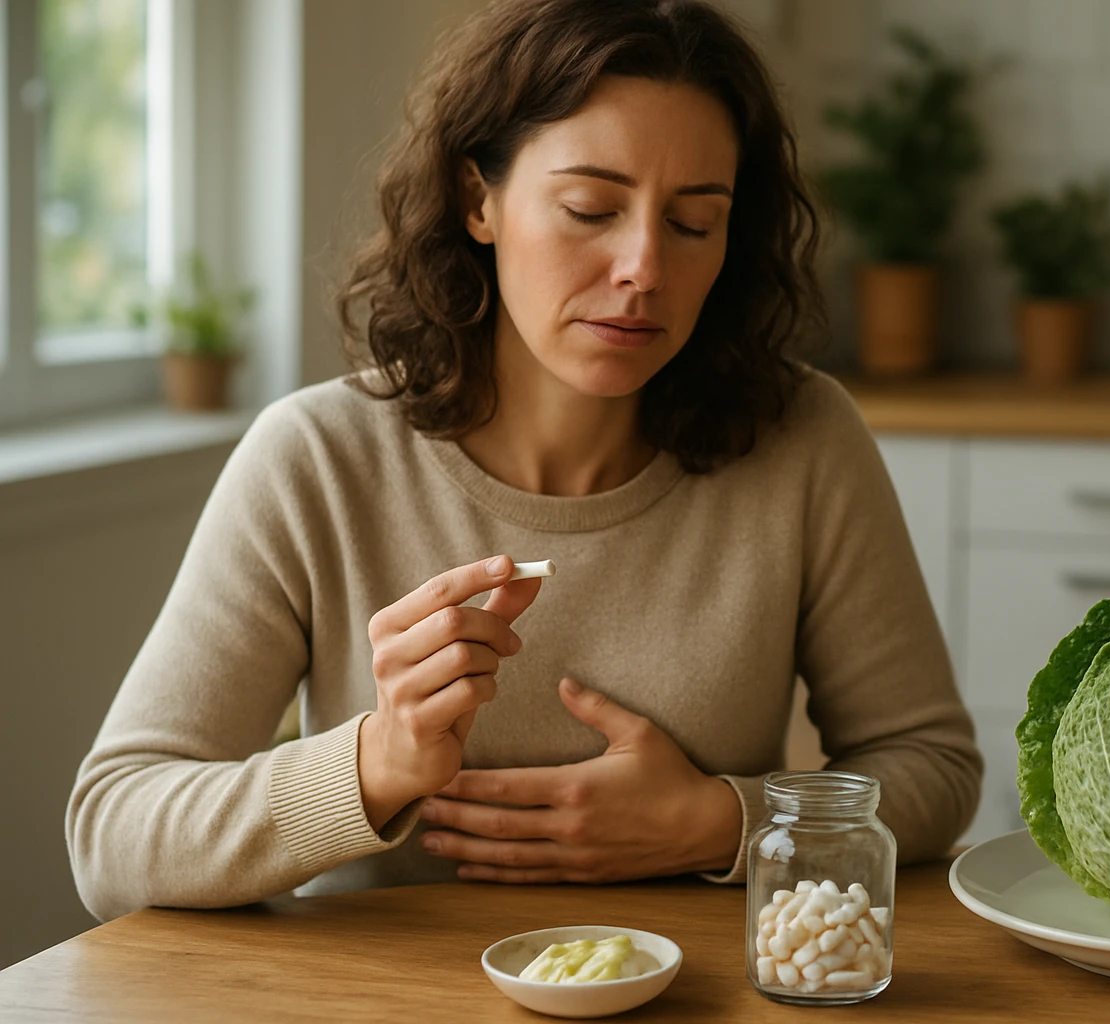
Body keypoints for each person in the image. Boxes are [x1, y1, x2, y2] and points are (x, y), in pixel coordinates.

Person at [67, 0, 981, 922]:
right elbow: (113, 839)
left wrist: (725, 823)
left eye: (695, 224)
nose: (643, 267)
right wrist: (375, 764)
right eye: (591, 208)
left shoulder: (806, 441)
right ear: (479, 201)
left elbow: (932, 768)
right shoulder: (316, 460)